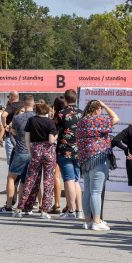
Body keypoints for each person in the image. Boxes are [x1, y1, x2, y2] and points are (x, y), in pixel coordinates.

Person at [76, 99, 119, 231]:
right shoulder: (99, 120)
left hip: (85, 159)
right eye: (100, 109)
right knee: (96, 191)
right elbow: (116, 118)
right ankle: (96, 221)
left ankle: (87, 220)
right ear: (97, 109)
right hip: (99, 158)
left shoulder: (82, 122)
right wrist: (105, 105)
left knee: (88, 191)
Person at [17, 103, 58, 219]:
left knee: (31, 180)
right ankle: (44, 210)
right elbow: (50, 140)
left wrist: (31, 150)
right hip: (48, 152)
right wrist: (56, 136)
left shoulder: (31, 120)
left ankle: (23, 207)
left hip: (35, 150)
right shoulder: (51, 122)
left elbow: (26, 138)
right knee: (48, 181)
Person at [1, 96, 35, 214]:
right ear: (33, 104)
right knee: (25, 180)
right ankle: (22, 205)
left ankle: (9, 205)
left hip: (21, 151)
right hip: (34, 152)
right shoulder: (37, 118)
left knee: (11, 177)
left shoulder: (17, 118)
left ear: (24, 105)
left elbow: (13, 133)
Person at [54, 90, 83, 220]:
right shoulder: (82, 113)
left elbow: (53, 130)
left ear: (65, 99)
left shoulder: (60, 114)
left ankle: (70, 211)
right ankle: (79, 210)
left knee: (68, 180)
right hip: (79, 151)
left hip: (64, 150)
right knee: (76, 180)